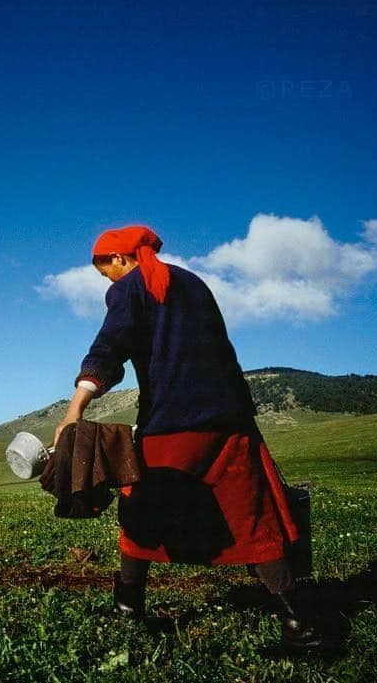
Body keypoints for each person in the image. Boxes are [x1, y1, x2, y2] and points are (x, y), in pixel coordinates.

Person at [51, 224, 325, 652]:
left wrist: (74, 411)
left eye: (107, 273)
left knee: (139, 508)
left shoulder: (131, 288)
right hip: (231, 421)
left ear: (121, 259)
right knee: (252, 519)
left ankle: (128, 607)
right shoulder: (194, 283)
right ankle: (300, 625)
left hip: (176, 423)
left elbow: (108, 349)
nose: (109, 282)